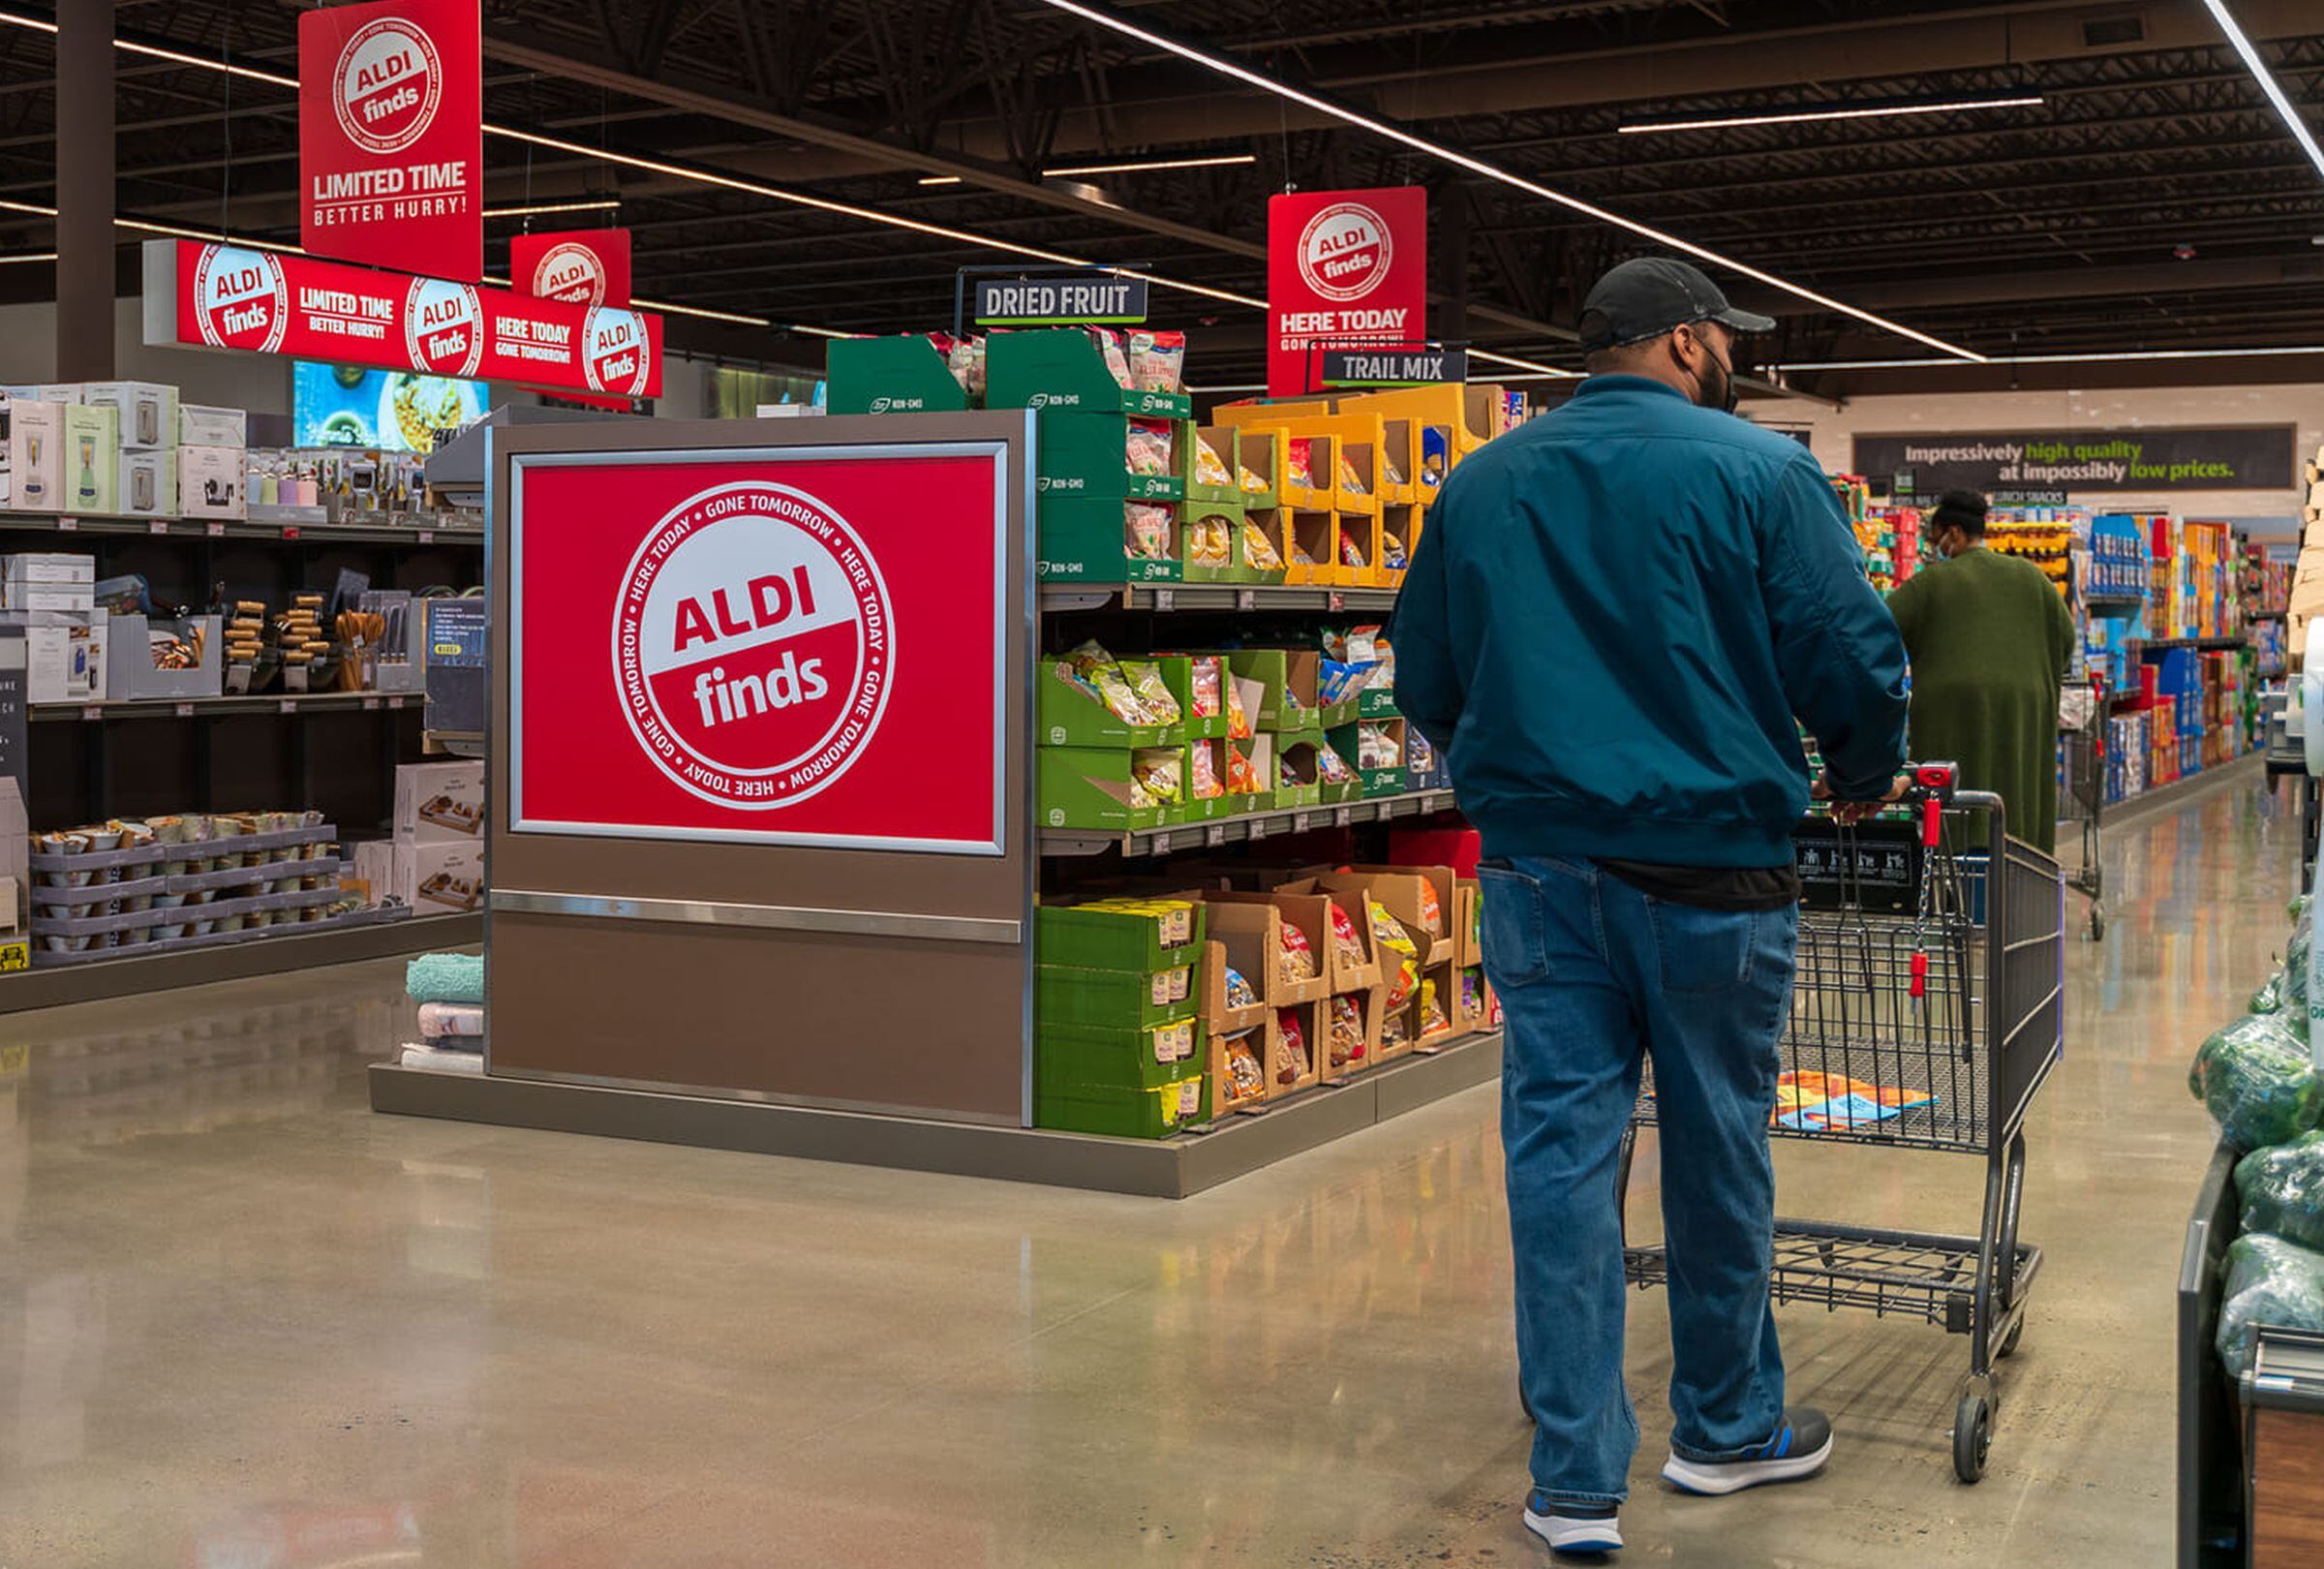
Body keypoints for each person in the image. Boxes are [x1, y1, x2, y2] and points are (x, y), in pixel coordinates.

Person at [1389, 256, 1911, 1555]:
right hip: (1713, 870)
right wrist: (1859, 770)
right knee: (1717, 1142)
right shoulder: (1757, 471)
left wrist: (1519, 772)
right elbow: (1845, 647)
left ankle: (1572, 1483)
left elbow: (1427, 673)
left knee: (1559, 1156)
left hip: (1538, 873)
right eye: (1727, 338)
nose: (1734, 358)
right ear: (1683, 342)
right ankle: (1725, 1433)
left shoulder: (1484, 479)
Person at [1883, 490, 2075, 854]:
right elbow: (2066, 639)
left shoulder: (1931, 584)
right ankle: (2017, 855)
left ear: (1952, 533)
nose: (1932, 549)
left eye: (1933, 539)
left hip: (1952, 714)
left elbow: (1875, 630)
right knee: (2015, 813)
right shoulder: (2030, 577)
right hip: (2023, 713)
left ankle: (1957, 862)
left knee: (1954, 807)